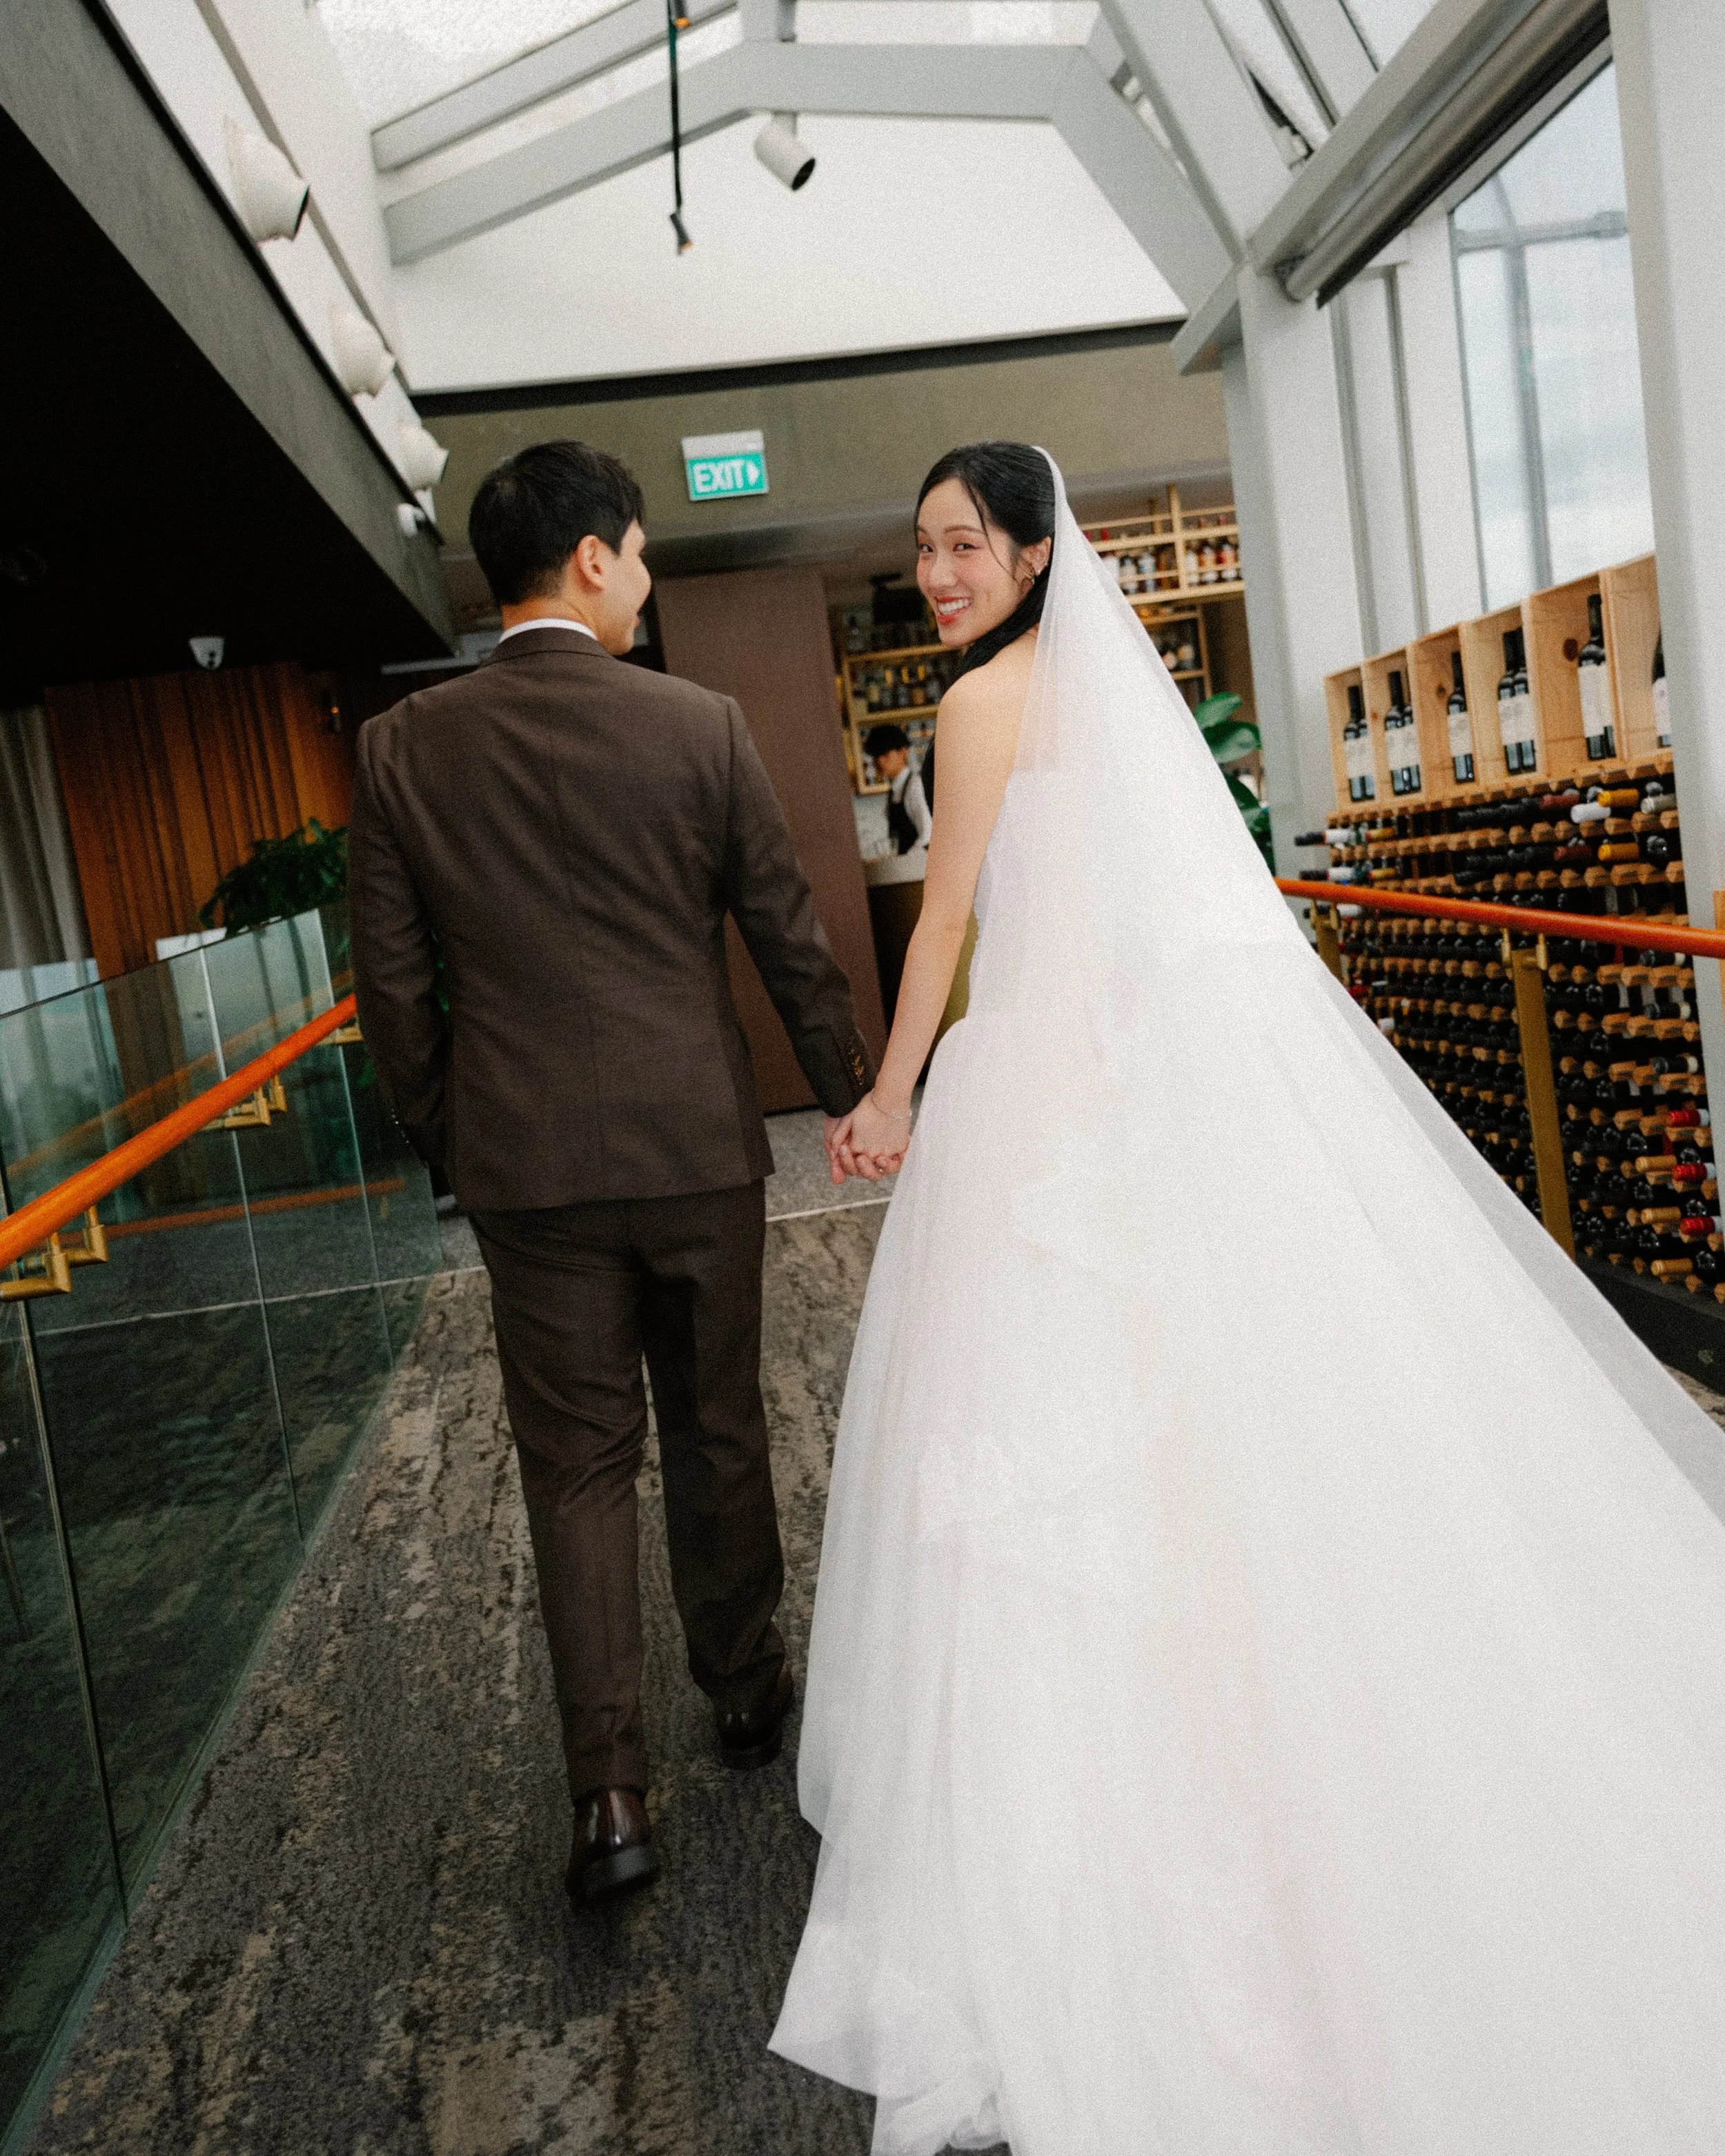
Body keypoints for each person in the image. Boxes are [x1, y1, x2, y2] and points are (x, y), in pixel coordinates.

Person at [771, 441, 1725, 2153]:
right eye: (921, 549)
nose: (938, 573)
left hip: (1046, 1101)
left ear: (1030, 551)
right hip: (1129, 1085)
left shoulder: (991, 702)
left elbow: (943, 925)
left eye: (963, 543)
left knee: (1057, 1462)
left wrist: (895, 1088)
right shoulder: (1115, 708)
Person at [348, 439, 874, 1908]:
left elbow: (395, 993)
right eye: (639, 553)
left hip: (527, 1173)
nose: (644, 582)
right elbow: (785, 930)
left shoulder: (402, 748)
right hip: (695, 1145)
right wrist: (854, 1092)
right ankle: (748, 1688)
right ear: (591, 556)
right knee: (715, 1425)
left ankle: (610, 1798)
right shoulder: (697, 725)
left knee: (575, 1468)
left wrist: (462, 1139)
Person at [862, 722, 933, 860]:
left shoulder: (915, 787)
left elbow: (927, 837)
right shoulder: (894, 791)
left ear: (903, 751)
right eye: (876, 755)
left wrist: (902, 860)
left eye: (885, 753)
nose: (879, 761)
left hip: (916, 870)